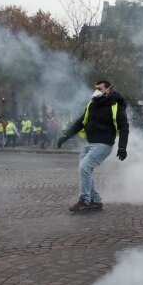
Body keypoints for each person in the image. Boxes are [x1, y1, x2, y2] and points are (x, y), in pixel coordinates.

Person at [58, 80, 129, 212]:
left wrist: (122, 147)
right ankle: (96, 200)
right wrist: (65, 136)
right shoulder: (92, 104)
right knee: (85, 171)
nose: (96, 91)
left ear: (108, 90)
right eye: (95, 88)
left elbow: (124, 127)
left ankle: (84, 200)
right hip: (89, 144)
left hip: (104, 144)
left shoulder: (116, 106)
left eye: (100, 89)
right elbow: (80, 122)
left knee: (84, 168)